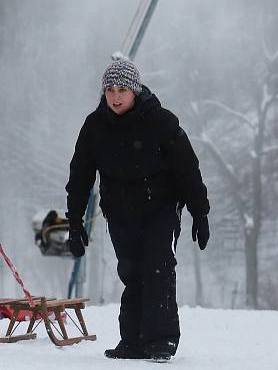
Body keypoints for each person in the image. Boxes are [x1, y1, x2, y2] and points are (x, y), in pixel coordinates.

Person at [64, 57, 210, 361]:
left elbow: (187, 168)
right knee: (131, 272)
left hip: (161, 207)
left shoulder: (162, 122)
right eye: (110, 90)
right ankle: (132, 340)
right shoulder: (95, 126)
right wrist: (75, 222)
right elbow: (80, 176)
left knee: (158, 268)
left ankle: (161, 340)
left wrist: (200, 211)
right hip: (119, 211)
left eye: (122, 89)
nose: (116, 96)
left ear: (135, 90)